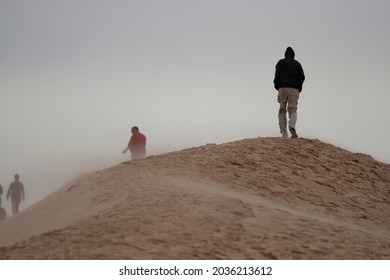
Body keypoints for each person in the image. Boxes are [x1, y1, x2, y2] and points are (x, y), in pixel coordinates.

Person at [273, 46, 305, 138]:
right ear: (293, 55)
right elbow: (302, 77)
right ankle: (292, 126)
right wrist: (299, 88)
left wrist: (277, 86)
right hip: (294, 89)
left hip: (282, 88)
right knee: (293, 109)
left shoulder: (280, 63)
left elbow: (276, 77)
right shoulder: (297, 64)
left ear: (285, 55)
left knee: (282, 109)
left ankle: (284, 132)